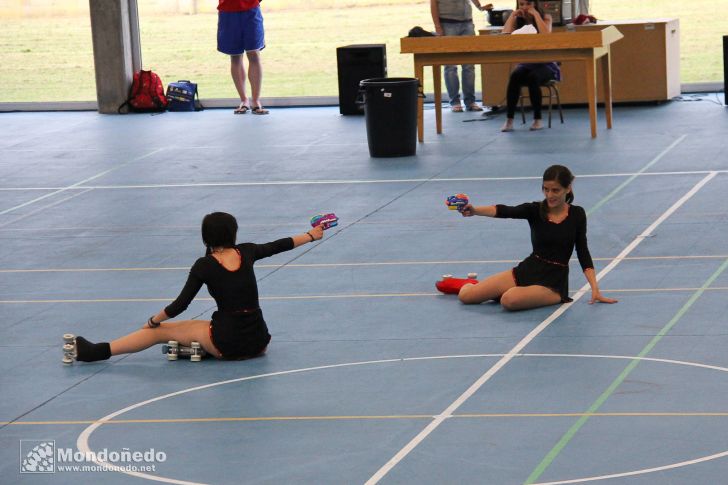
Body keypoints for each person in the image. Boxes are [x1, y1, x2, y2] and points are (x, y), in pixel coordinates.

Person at [69, 212, 324, 362]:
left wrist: (153, 321)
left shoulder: (204, 265)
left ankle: (98, 351)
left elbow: (180, 305)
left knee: (163, 330)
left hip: (226, 343)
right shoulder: (247, 251)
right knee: (196, 326)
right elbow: (279, 244)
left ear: (206, 238)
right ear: (233, 234)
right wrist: (312, 234)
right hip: (259, 341)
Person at [454, 165, 617, 310]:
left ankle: (511, 293)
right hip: (529, 269)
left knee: (509, 299)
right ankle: (469, 285)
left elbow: (583, 251)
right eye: (546, 189)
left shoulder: (577, 214)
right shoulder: (535, 210)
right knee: (466, 297)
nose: (549, 195)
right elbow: (505, 211)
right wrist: (475, 210)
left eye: (555, 190)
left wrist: (594, 288)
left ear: (568, 188)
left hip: (553, 283)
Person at [500, 0, 560, 131]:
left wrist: (536, 16)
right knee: (515, 76)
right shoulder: (518, 21)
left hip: (546, 64)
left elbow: (546, 35)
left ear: (535, 5)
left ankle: (537, 119)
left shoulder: (546, 18)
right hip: (526, 64)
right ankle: (509, 120)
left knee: (533, 77)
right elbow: (504, 36)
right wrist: (512, 16)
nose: (525, 7)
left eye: (528, 4)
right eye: (521, 4)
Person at [430, 0, 493, 112]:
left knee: (469, 65)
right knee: (450, 66)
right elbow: (433, 3)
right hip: (447, 24)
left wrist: (480, 7)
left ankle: (470, 101)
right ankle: (454, 102)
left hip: (467, 23)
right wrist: (437, 26)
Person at [217, 0, 269, 115]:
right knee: (235, 57)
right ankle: (244, 100)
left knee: (254, 54)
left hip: (251, 11)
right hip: (228, 11)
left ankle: (255, 101)